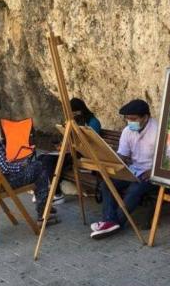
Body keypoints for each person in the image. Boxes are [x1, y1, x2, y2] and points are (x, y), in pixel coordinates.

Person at [0, 96, 59, 224]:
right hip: (1, 183)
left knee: (34, 166)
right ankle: (43, 214)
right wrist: (23, 165)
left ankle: (46, 207)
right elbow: (4, 169)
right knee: (39, 167)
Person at [90, 99, 158, 239]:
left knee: (135, 189)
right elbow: (123, 155)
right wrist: (110, 158)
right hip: (133, 169)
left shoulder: (158, 130)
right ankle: (110, 220)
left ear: (145, 117)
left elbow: (168, 159)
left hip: (152, 173)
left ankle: (115, 223)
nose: (129, 122)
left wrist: (152, 172)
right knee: (107, 184)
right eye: (127, 119)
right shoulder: (128, 130)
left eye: (133, 119)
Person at [38, 98, 102, 204]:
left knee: (49, 161)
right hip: (72, 151)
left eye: (75, 112)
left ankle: (57, 193)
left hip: (84, 153)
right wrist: (63, 144)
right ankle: (49, 189)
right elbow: (69, 140)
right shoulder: (73, 120)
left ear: (81, 110)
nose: (73, 115)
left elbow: (90, 142)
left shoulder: (93, 122)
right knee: (42, 158)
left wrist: (73, 141)